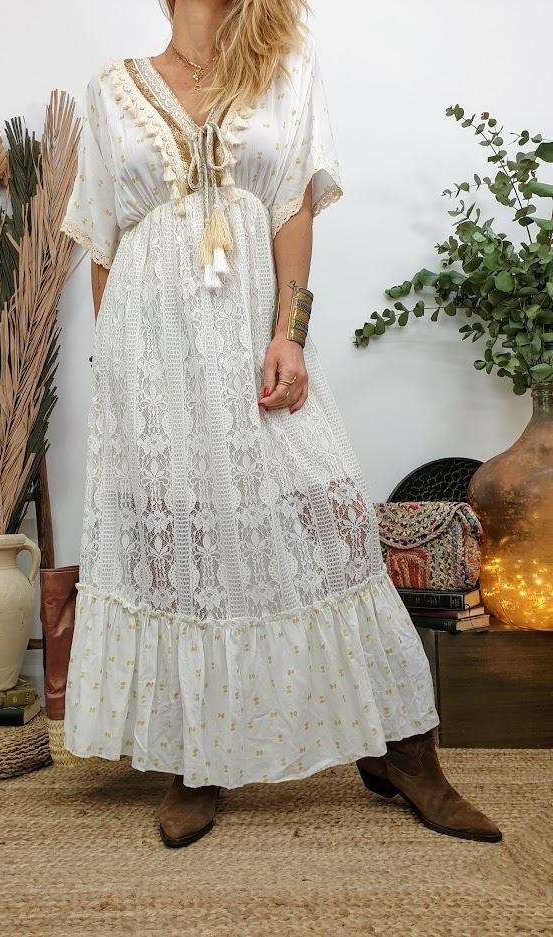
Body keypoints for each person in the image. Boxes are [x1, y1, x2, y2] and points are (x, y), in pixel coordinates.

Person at [59, 0, 501, 848]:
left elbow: (293, 205)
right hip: (148, 350)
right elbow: (106, 242)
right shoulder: (111, 91)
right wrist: (115, 378)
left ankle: (406, 753)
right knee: (183, 540)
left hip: (248, 328)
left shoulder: (281, 68)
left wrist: (287, 336)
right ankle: (196, 759)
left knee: (329, 520)